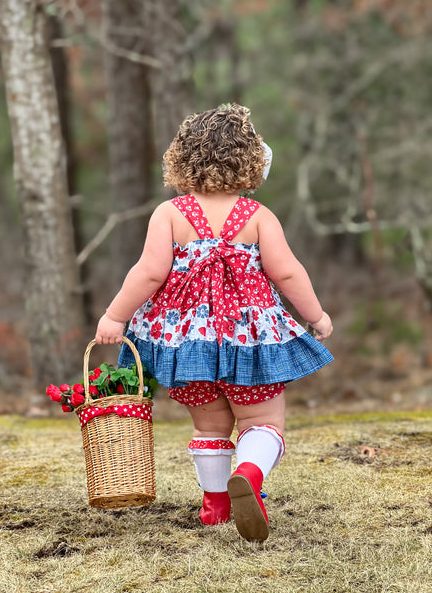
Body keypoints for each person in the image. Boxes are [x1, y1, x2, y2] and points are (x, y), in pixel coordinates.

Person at [95, 103, 333, 542]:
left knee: (208, 426)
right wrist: (315, 315)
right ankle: (249, 473)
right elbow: (287, 273)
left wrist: (115, 315)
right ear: (250, 160)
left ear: (183, 159)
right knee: (263, 422)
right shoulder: (258, 216)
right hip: (249, 343)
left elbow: (148, 272)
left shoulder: (170, 214)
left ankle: (215, 506)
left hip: (187, 346)